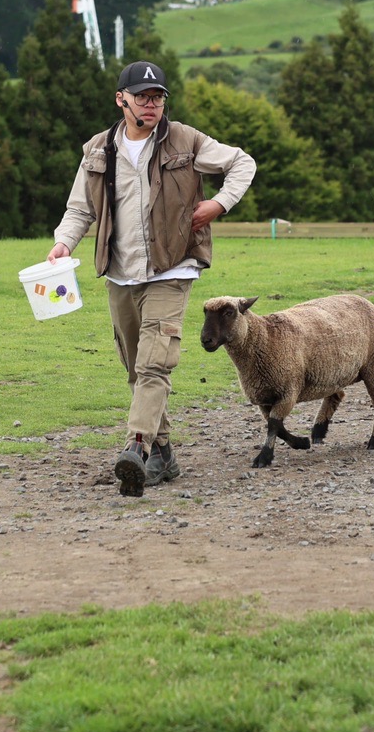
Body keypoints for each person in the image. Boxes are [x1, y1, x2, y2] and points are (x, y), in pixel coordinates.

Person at [48, 60, 257, 496]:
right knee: (135, 368)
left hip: (173, 268)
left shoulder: (186, 139)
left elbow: (242, 163)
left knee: (154, 363)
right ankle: (163, 453)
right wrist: (64, 243)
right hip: (120, 274)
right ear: (120, 99)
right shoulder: (97, 150)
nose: (151, 104)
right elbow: (80, 209)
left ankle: (136, 449)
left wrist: (218, 204)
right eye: (142, 96)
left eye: (158, 96)